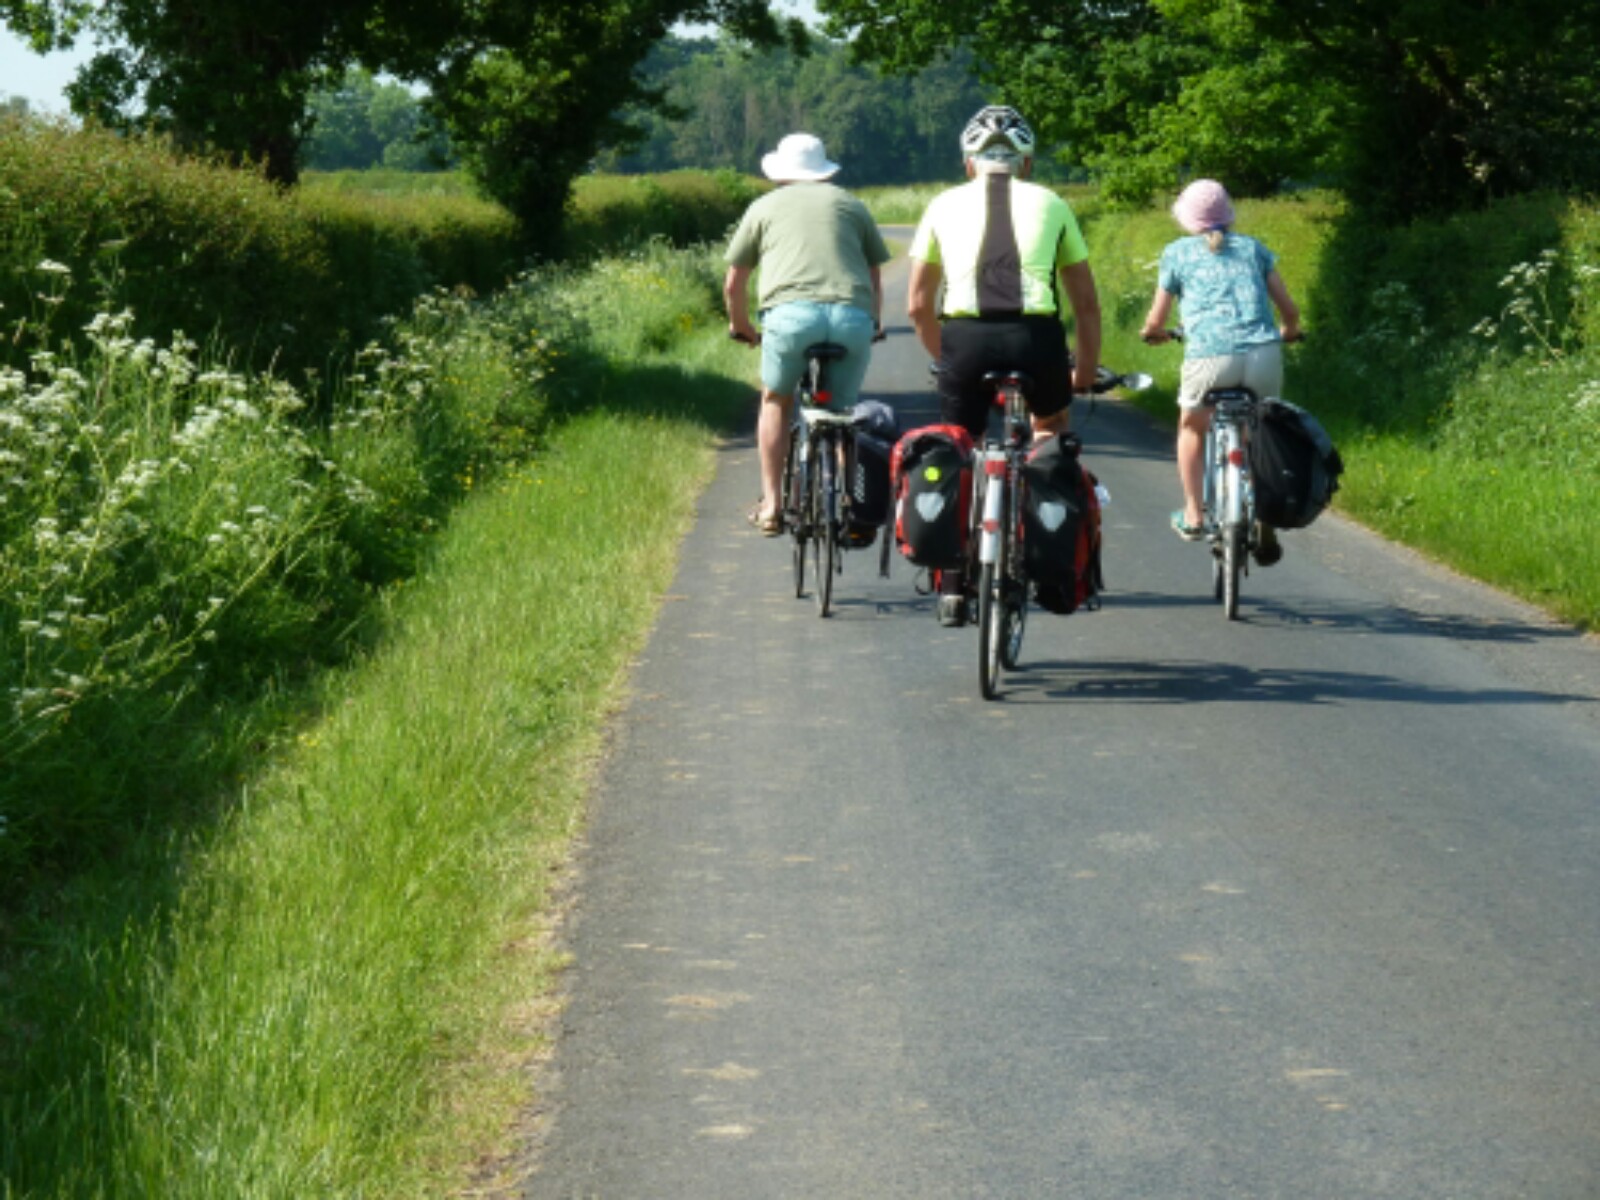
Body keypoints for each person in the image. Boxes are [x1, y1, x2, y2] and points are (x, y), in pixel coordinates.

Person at [906, 104, 1102, 625]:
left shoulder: (942, 204)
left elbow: (918, 305)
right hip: (1035, 336)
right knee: (1049, 432)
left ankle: (953, 585)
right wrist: (1084, 372)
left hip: (965, 339)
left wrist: (945, 359)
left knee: (959, 444)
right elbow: (1085, 303)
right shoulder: (1053, 203)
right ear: (1026, 163)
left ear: (968, 163)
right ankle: (1050, 563)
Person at [724, 132, 891, 535]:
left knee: (776, 399)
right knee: (842, 413)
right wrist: (873, 323)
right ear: (823, 171)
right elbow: (873, 277)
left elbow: (734, 283)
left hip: (790, 318)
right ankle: (846, 499)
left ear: (781, 172)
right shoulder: (851, 204)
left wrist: (741, 326)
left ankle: (772, 505)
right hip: (851, 316)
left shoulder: (763, 207)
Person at [1140, 178, 1301, 564]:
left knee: (1192, 428)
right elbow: (1289, 310)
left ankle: (1194, 514)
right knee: (1260, 433)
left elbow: (1156, 319)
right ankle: (1264, 514)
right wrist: (1290, 331)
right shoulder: (1253, 249)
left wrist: (1154, 332)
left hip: (1210, 359)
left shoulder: (1177, 253)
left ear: (1187, 218)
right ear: (1228, 214)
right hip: (1263, 355)